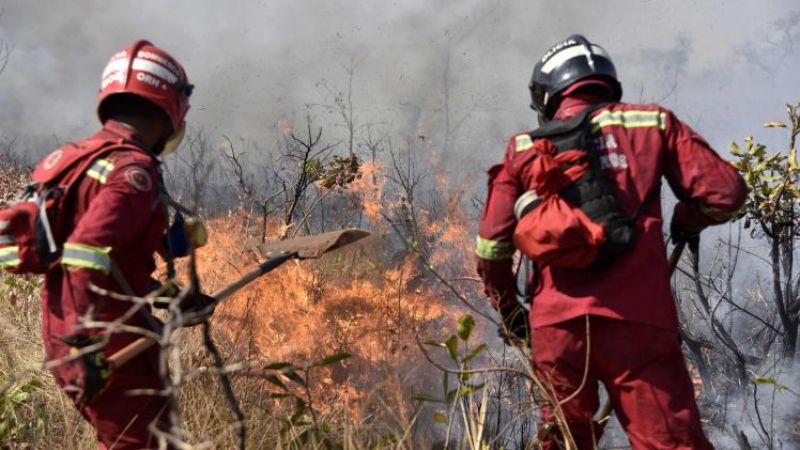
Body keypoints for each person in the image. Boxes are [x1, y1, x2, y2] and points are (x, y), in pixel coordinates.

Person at [475, 34, 746, 449]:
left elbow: (491, 248)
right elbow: (726, 195)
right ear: (606, 82)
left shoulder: (524, 148)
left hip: (557, 330)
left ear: (547, 94)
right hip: (638, 323)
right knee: (671, 444)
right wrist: (686, 219)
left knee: (564, 442)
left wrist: (511, 312)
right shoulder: (652, 124)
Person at [39, 40, 208, 449]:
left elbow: (112, 264)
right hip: (104, 339)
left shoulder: (75, 159)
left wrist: (168, 297)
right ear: (170, 106)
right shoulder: (134, 170)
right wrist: (87, 342)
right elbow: (84, 253)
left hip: (71, 328)